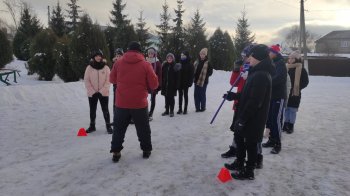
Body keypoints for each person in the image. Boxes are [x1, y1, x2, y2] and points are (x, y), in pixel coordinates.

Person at [223, 44, 274, 180]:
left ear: (257, 57)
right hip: (246, 113)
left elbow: (255, 101)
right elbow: (247, 94)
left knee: (250, 143)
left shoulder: (262, 75)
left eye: (251, 56)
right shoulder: (255, 72)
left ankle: (249, 170)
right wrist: (234, 96)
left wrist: (243, 119)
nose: (249, 58)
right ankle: (239, 163)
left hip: (254, 117)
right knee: (239, 138)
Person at [109, 41, 158, 162]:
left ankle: (116, 151)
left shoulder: (118, 63)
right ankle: (146, 150)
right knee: (143, 128)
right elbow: (154, 84)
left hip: (121, 103)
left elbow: (112, 79)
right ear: (140, 51)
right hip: (139, 103)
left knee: (118, 129)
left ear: (127, 50)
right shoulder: (146, 65)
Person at [262, 44, 287, 154]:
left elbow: (279, 78)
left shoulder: (281, 63)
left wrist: (267, 81)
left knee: (276, 120)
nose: (268, 53)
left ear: (275, 53)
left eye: (270, 52)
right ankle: (271, 140)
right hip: (271, 96)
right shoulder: (271, 62)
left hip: (279, 96)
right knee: (270, 119)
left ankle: (278, 143)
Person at [84, 49, 113, 134]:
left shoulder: (106, 67)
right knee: (92, 110)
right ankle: (92, 126)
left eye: (100, 55)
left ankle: (108, 126)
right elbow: (86, 80)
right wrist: (92, 91)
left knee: (105, 110)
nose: (98, 57)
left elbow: (108, 80)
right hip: (92, 94)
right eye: (96, 56)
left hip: (103, 93)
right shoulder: (89, 68)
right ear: (93, 57)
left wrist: (102, 91)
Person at [284, 51, 308, 134]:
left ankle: (291, 125)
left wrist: (297, 88)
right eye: (289, 58)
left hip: (295, 93)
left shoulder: (301, 69)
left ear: (297, 59)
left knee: (292, 110)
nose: (290, 59)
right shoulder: (286, 68)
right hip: (286, 92)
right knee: (286, 109)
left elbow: (305, 82)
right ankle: (285, 124)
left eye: (292, 58)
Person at [161, 53, 181, 117]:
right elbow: (162, 75)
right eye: (168, 58)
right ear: (166, 59)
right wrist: (162, 83)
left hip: (172, 85)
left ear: (173, 59)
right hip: (165, 85)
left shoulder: (175, 66)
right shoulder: (164, 65)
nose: (169, 59)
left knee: (171, 99)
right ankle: (167, 110)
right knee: (166, 99)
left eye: (170, 58)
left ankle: (171, 111)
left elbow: (178, 77)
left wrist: (176, 85)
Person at [193, 48, 213, 112]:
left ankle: (203, 107)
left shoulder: (208, 62)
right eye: (201, 54)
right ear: (199, 54)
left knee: (202, 94)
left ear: (205, 55)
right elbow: (193, 70)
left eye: (203, 54)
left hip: (203, 81)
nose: (202, 55)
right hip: (196, 81)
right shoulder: (196, 61)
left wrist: (205, 75)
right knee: (196, 94)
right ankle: (197, 108)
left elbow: (210, 72)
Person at [146, 47, 162, 121]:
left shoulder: (157, 62)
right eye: (149, 53)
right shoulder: (145, 61)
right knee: (143, 98)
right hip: (146, 83)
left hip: (153, 83)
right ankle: (145, 112)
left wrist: (159, 84)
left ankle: (151, 113)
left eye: (152, 53)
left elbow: (160, 74)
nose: (150, 55)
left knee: (153, 98)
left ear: (154, 54)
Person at [111, 48, 124, 115]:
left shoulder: (125, 63)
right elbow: (112, 76)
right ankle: (115, 117)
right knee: (115, 101)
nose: (118, 57)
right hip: (116, 85)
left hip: (124, 86)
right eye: (117, 56)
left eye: (120, 56)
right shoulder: (114, 64)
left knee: (124, 101)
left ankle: (127, 117)